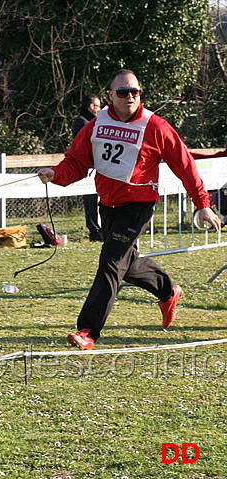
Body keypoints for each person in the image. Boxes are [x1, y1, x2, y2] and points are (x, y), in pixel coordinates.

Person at [38, 69, 220, 350]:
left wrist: (203, 205)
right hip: (108, 205)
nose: (130, 96)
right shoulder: (95, 125)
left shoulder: (156, 126)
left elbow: (185, 166)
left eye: (135, 91)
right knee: (126, 263)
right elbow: (76, 162)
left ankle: (88, 331)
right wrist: (56, 173)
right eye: (123, 92)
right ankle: (167, 290)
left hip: (138, 205)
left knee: (111, 261)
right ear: (110, 96)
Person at [72, 94, 103, 241]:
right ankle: (95, 232)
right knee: (91, 201)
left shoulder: (93, 122)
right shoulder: (82, 122)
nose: (100, 109)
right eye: (98, 106)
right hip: (88, 169)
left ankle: (101, 230)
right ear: (91, 107)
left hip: (97, 167)